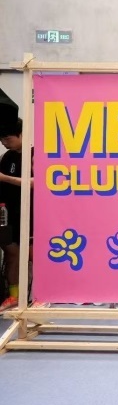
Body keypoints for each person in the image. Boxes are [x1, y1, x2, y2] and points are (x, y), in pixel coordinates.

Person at [0, 116, 34, 312]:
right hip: (9, 213)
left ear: (21, 134)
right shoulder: (6, 157)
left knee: (33, 255)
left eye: (8, 139)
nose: (4, 143)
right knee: (11, 253)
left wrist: (5, 178)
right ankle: (14, 296)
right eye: (1, 140)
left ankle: (40, 296)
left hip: (31, 213)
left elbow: (35, 182)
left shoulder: (34, 154)